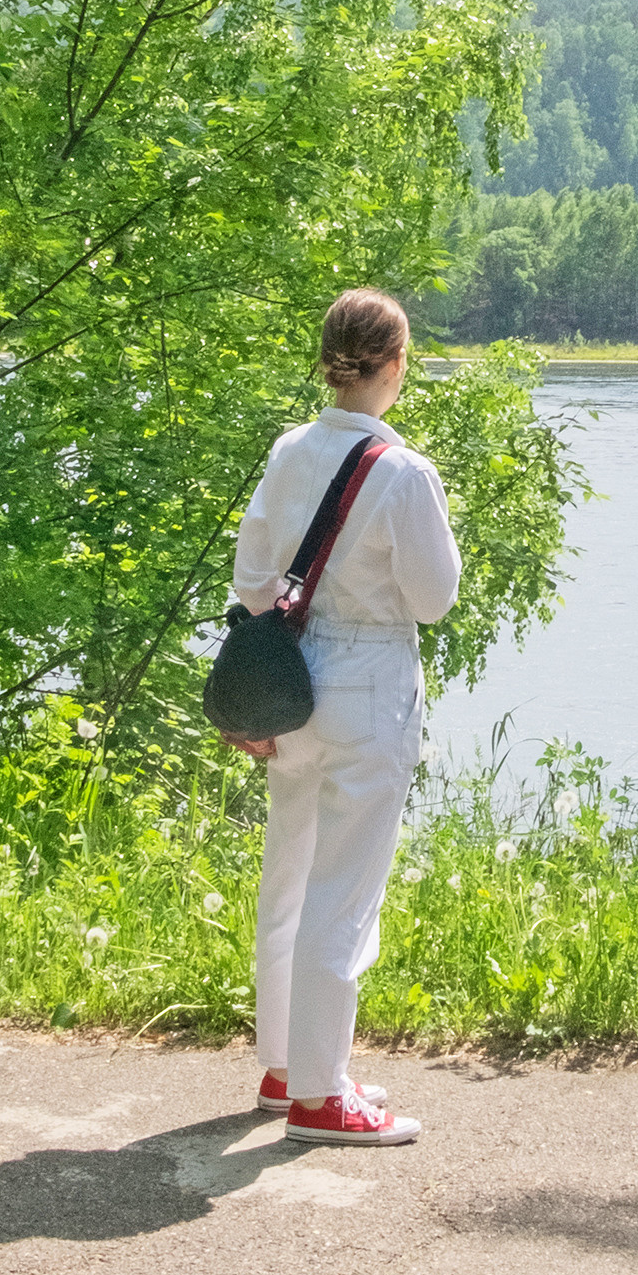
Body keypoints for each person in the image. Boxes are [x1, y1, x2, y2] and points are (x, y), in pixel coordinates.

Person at [229, 286, 460, 1144]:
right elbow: (434, 601)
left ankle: (287, 1065)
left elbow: (254, 580)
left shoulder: (290, 450)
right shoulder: (402, 471)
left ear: (330, 358)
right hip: (367, 680)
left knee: (288, 875)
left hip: (290, 679)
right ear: (395, 365)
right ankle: (322, 1098)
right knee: (345, 892)